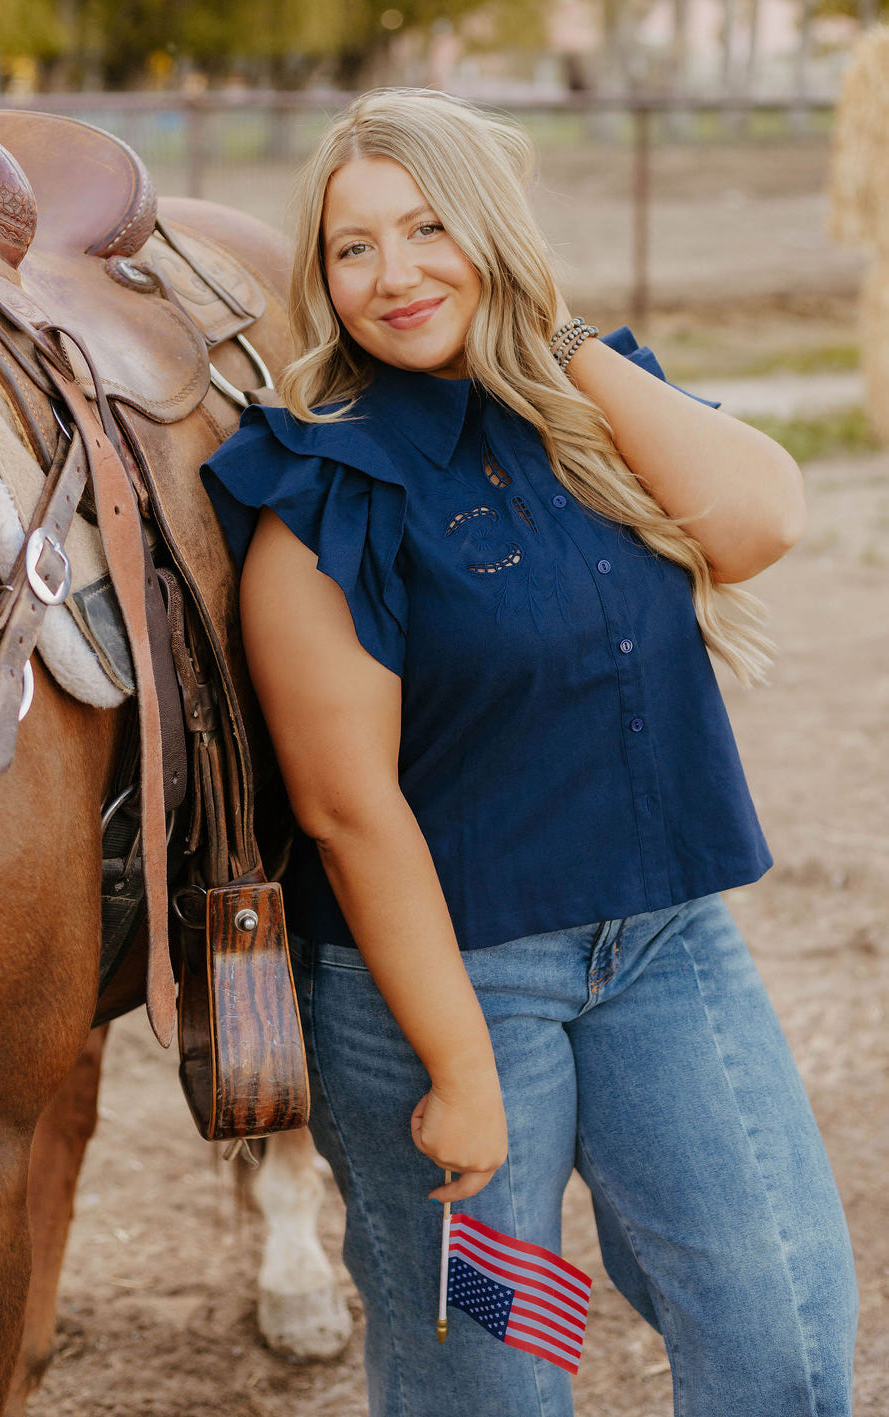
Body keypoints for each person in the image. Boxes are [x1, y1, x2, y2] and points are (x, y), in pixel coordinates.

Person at [202, 88, 857, 1417]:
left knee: (778, 1330)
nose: (393, 275)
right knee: (497, 1379)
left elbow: (760, 519)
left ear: (494, 229)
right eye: (352, 247)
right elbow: (347, 808)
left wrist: (555, 340)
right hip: (451, 990)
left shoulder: (596, 413)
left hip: (662, 948)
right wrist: (459, 1068)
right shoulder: (325, 484)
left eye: (429, 227)